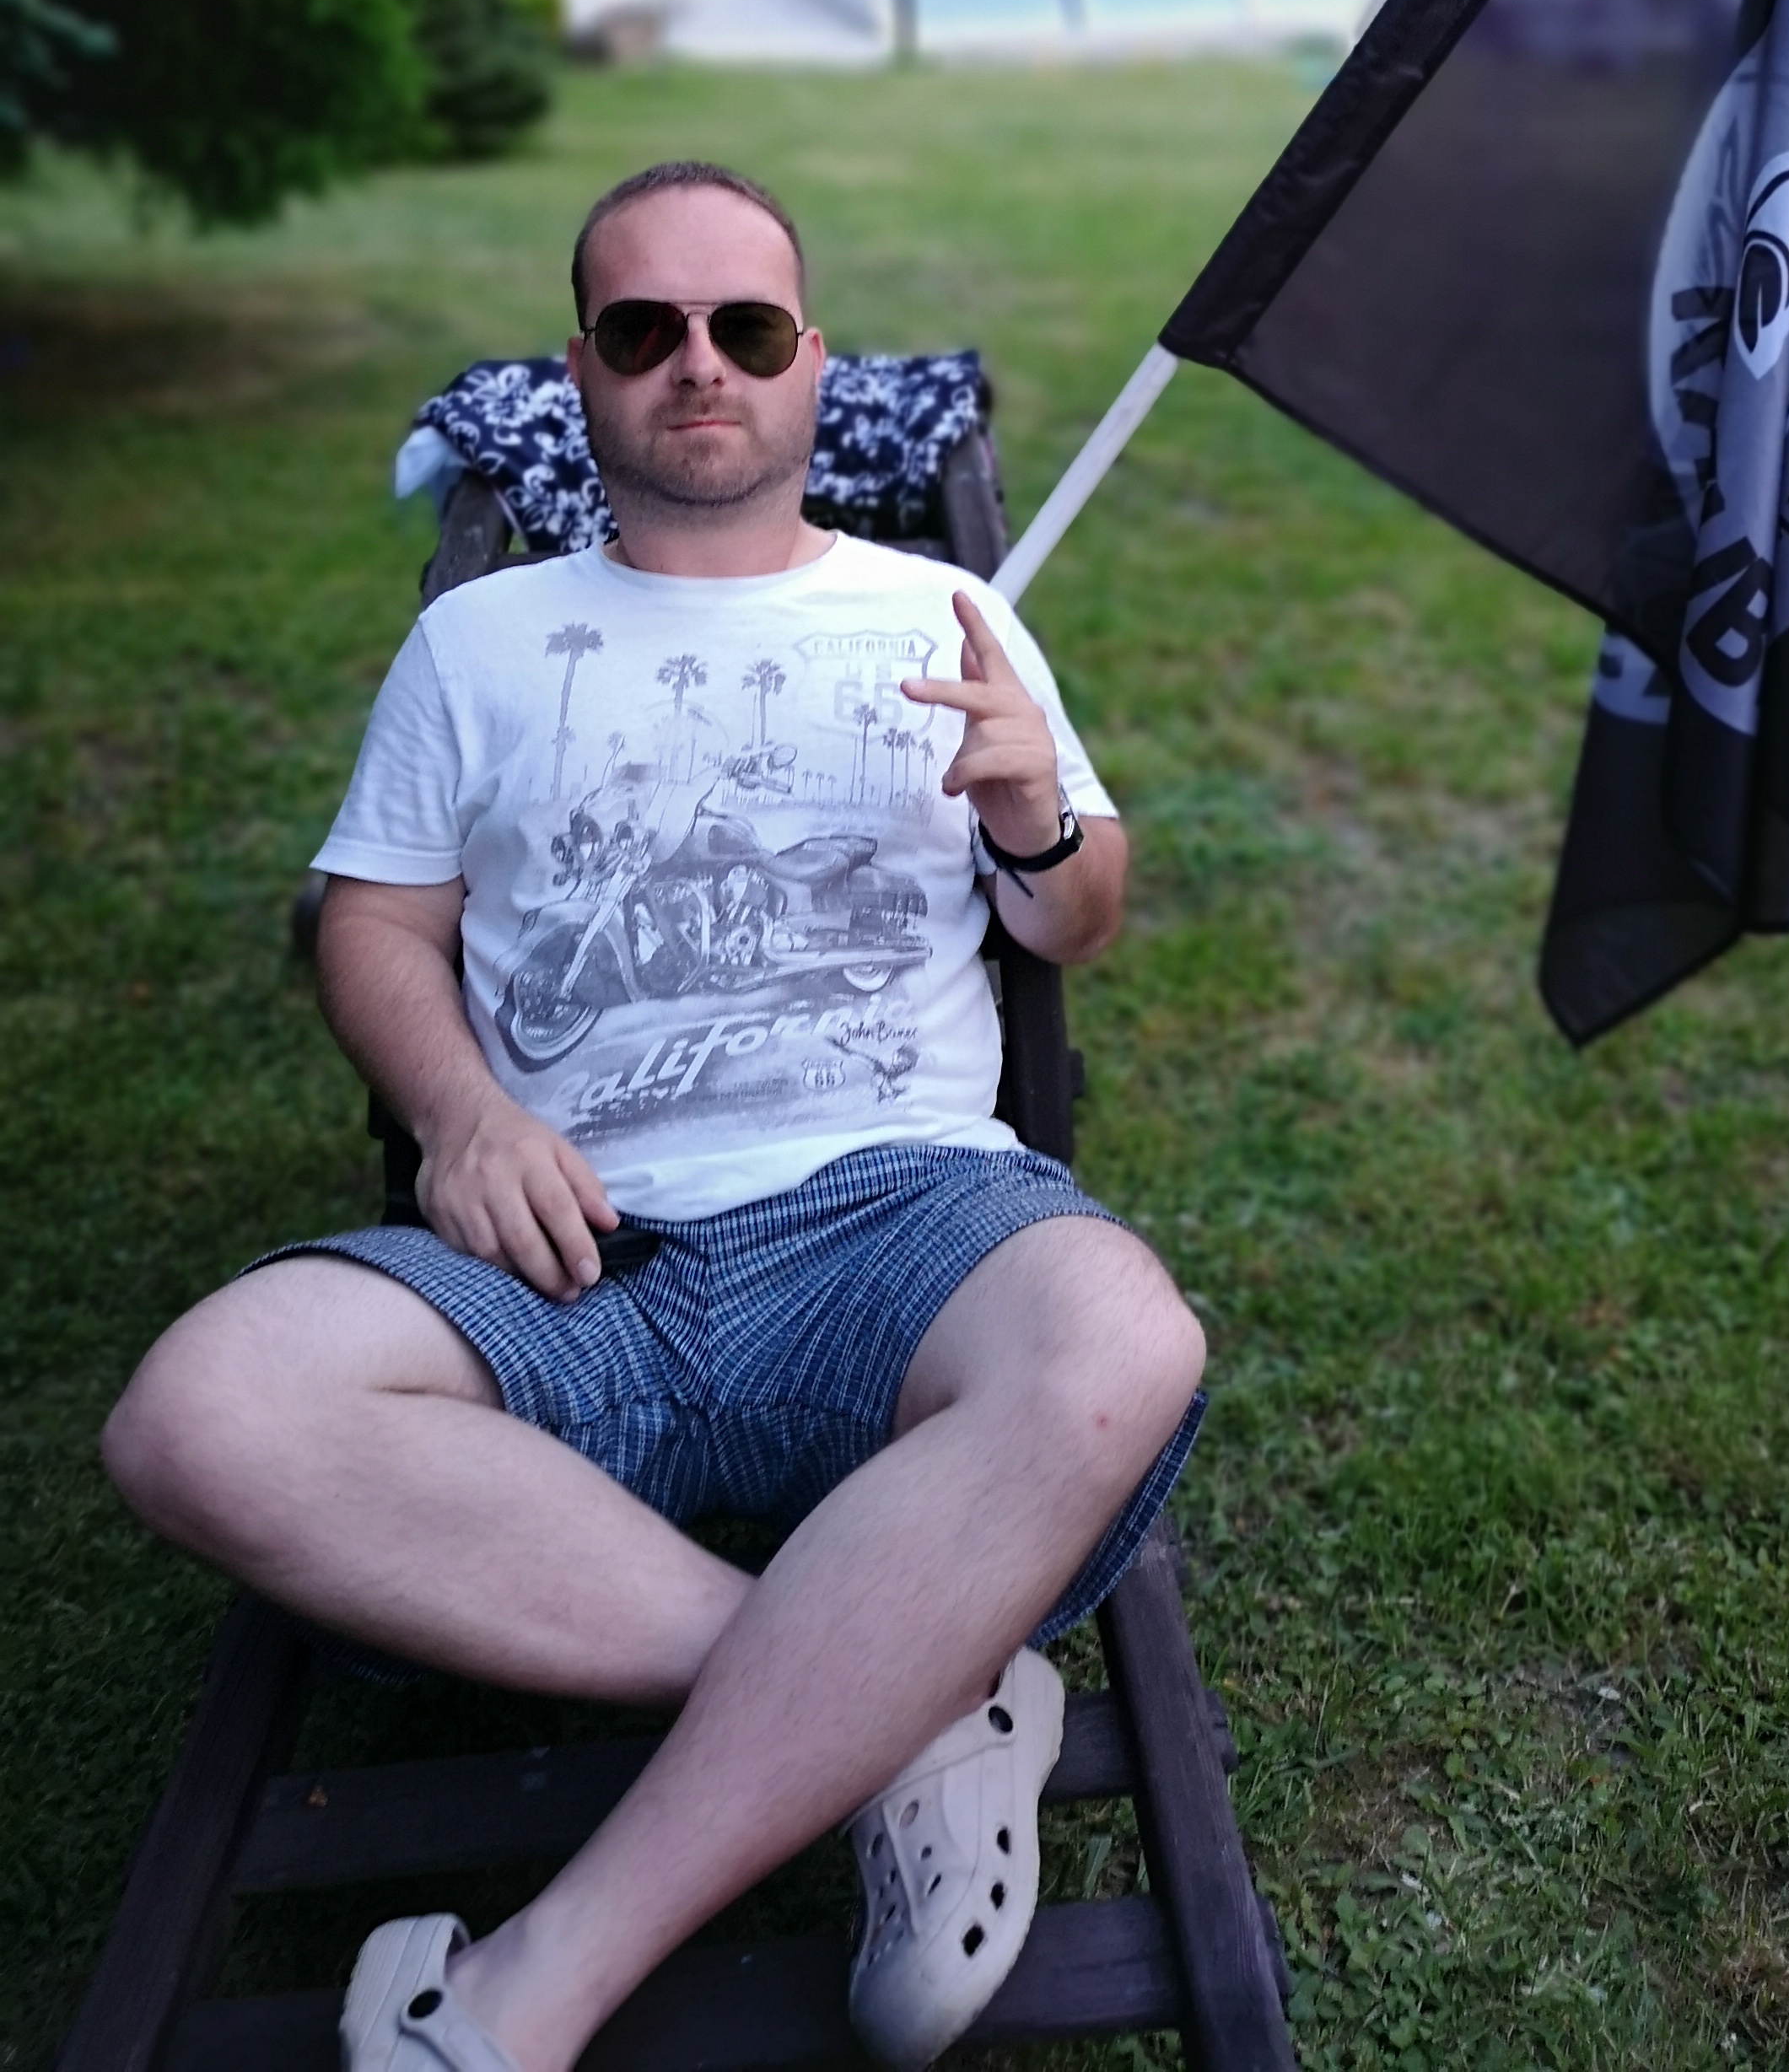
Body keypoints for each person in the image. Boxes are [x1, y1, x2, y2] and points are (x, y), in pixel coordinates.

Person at [101, 161, 1208, 2072]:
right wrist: (458, 1115)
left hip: (899, 1227)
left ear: (809, 365)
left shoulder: (948, 613)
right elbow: (374, 923)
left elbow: (1075, 920)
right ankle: (913, 1695)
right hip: (570, 1255)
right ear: (585, 373)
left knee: (1123, 1339)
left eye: (746, 328)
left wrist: (1038, 816)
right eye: (646, 330)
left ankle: (530, 1986)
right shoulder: (482, 642)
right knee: (200, 1413)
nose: (701, 364)